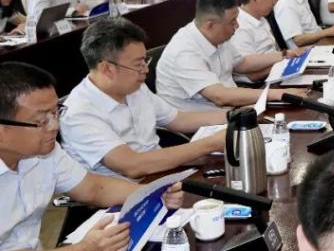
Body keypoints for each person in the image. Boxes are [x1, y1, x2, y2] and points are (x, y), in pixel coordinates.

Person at [0, 62, 184, 251]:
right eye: (41, 121)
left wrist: (151, 193)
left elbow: (94, 188)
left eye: (56, 112)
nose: (54, 126)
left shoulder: (45, 152)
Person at [60, 19, 227, 179]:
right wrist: (211, 143)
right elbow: (133, 166)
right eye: (138, 64)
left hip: (161, 173)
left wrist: (234, 116)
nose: (145, 70)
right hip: (123, 192)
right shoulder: (79, 113)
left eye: (145, 61)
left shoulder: (134, 87)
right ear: (108, 68)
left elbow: (178, 119)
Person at [157, 0, 306, 109]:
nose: (237, 26)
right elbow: (219, 96)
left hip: (232, 110)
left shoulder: (218, 35)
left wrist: (284, 55)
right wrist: (279, 94)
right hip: (203, 124)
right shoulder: (184, 51)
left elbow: (242, 63)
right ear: (210, 25)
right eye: (233, 21)